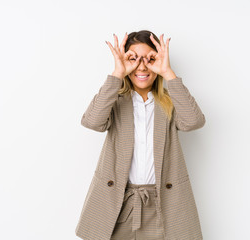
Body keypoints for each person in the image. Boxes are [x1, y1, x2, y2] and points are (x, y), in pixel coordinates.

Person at [75, 30, 206, 240]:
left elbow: (194, 121)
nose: (142, 66)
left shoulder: (170, 102)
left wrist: (168, 72)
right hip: (118, 204)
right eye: (133, 58)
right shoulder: (116, 100)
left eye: (150, 58)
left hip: (163, 204)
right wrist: (117, 74)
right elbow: (92, 121)